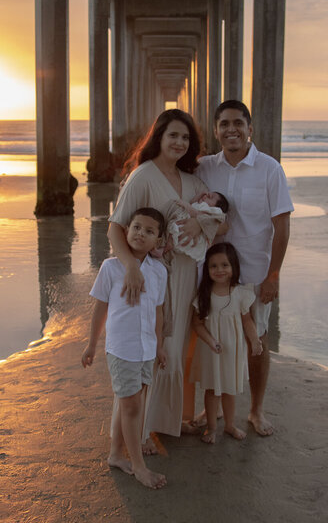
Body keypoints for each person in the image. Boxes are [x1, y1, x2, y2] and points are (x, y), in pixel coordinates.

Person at [107, 109, 222, 440]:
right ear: (159, 137)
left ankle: (164, 423)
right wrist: (131, 266)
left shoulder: (194, 182)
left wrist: (200, 221)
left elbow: (221, 220)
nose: (180, 142)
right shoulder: (143, 176)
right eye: (173, 135)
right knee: (153, 352)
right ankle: (141, 432)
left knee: (174, 352)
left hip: (186, 277)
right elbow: (116, 227)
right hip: (151, 279)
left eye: (186, 137)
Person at [196, 100, 294, 436]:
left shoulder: (269, 169)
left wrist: (274, 274)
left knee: (257, 340)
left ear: (250, 129)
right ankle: (214, 407)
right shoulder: (205, 167)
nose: (231, 129)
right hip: (212, 272)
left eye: (238, 123)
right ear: (215, 130)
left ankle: (255, 410)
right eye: (224, 124)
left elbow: (281, 226)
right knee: (213, 338)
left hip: (254, 272)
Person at [81, 208, 168, 489]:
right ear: (126, 230)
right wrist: (92, 344)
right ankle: (139, 467)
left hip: (147, 348)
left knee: (130, 403)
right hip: (121, 348)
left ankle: (116, 454)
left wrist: (160, 346)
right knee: (131, 406)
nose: (141, 233)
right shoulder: (111, 267)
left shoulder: (159, 271)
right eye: (136, 227)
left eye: (149, 230)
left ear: (159, 239)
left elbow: (158, 312)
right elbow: (100, 309)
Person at [190, 243, 263, 444]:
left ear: (234, 267)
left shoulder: (240, 293)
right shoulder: (204, 294)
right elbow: (197, 324)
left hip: (233, 350)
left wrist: (255, 340)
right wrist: (211, 341)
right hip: (211, 350)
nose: (219, 270)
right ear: (207, 269)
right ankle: (212, 427)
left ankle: (230, 425)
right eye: (213, 266)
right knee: (212, 390)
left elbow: (247, 321)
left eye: (225, 265)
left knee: (230, 389)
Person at [165, 191, 228, 262]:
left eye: (210, 197)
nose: (205, 196)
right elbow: (192, 204)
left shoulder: (213, 212)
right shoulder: (200, 205)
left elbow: (196, 213)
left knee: (177, 225)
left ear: (217, 207)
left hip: (196, 237)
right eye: (206, 195)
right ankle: (169, 244)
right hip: (188, 232)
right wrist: (199, 195)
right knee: (177, 224)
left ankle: (170, 243)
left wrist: (186, 206)